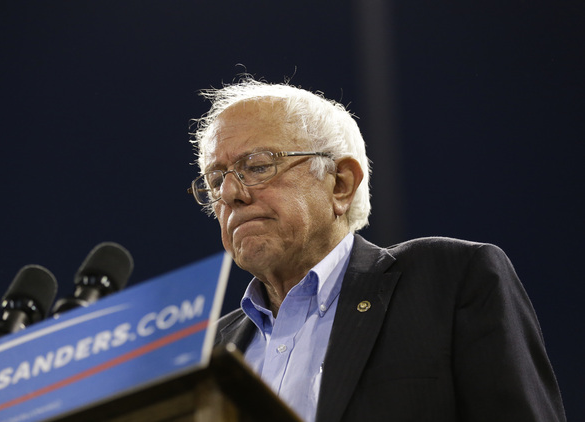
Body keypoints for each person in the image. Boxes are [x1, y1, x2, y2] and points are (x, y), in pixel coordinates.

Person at [187, 77, 566, 422]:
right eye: (216, 180)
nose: (232, 194)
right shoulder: (207, 353)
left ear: (341, 185)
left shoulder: (449, 280)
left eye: (257, 166)